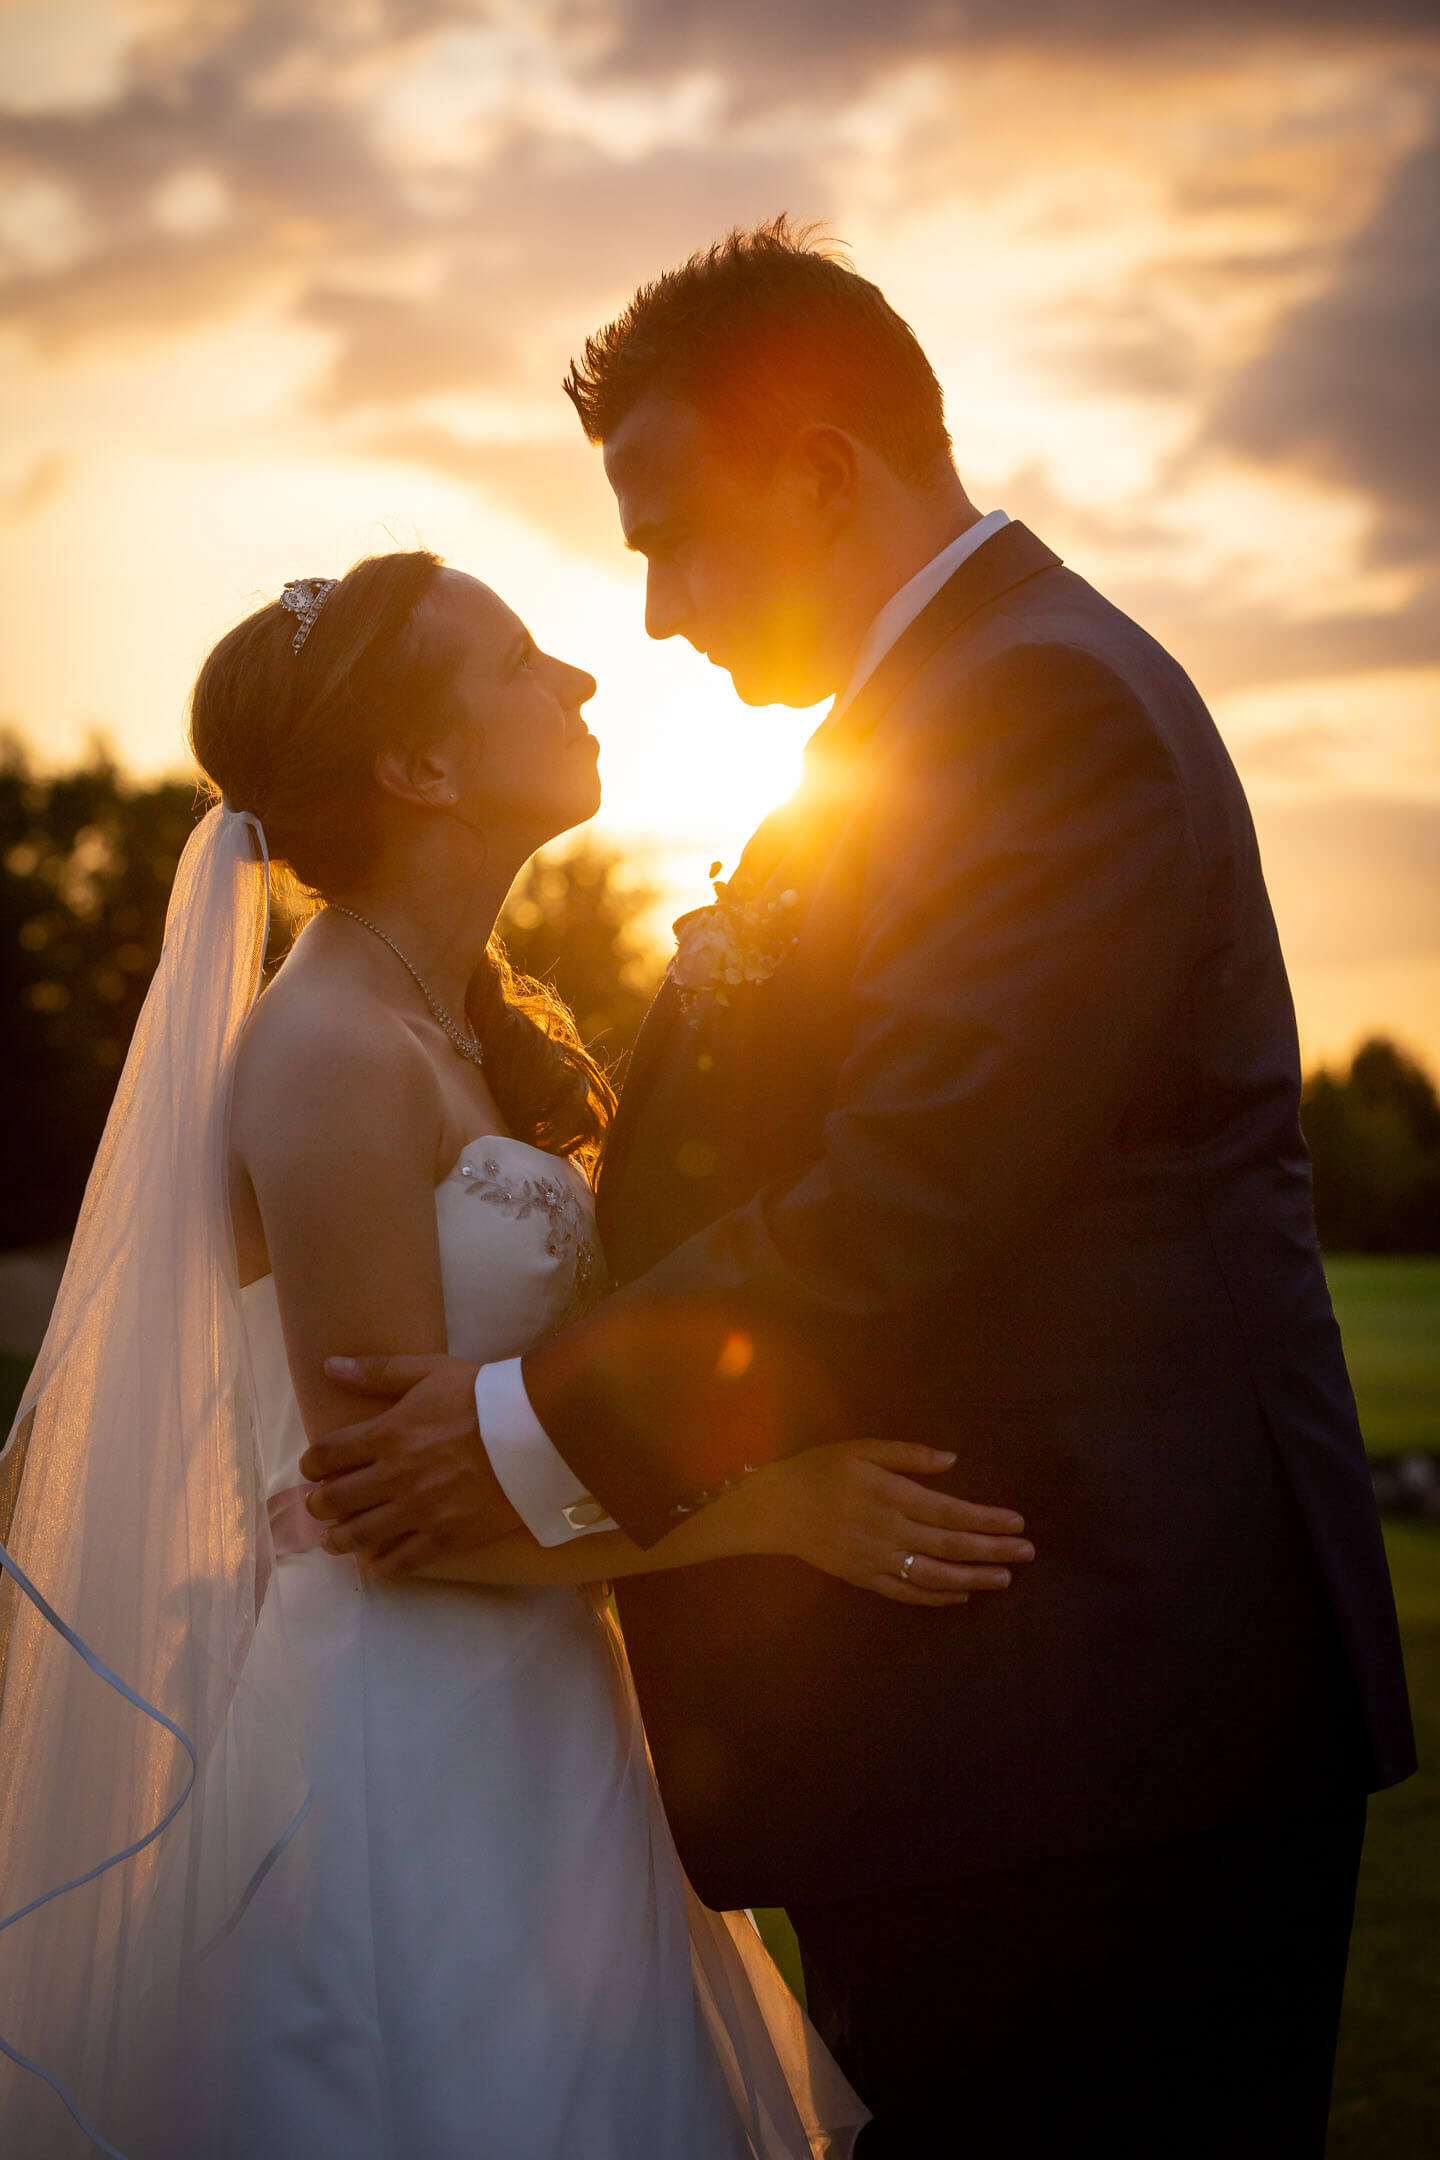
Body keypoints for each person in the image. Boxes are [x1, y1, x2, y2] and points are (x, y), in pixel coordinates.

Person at [304, 222, 1417, 2157]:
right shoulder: (942, 714)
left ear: (822, 474)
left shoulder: (1037, 711)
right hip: (1005, 1719)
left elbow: (908, 1188)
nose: (656, 613)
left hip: (1102, 1715)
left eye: (674, 537)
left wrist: (516, 1430)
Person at [0, 546, 1037, 2158]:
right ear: (418, 768)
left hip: (548, 1710)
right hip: (404, 1746)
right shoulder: (332, 1052)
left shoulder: (452, 1033)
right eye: (520, 662)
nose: (581, 679)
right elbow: (392, 1515)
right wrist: (780, 1509)